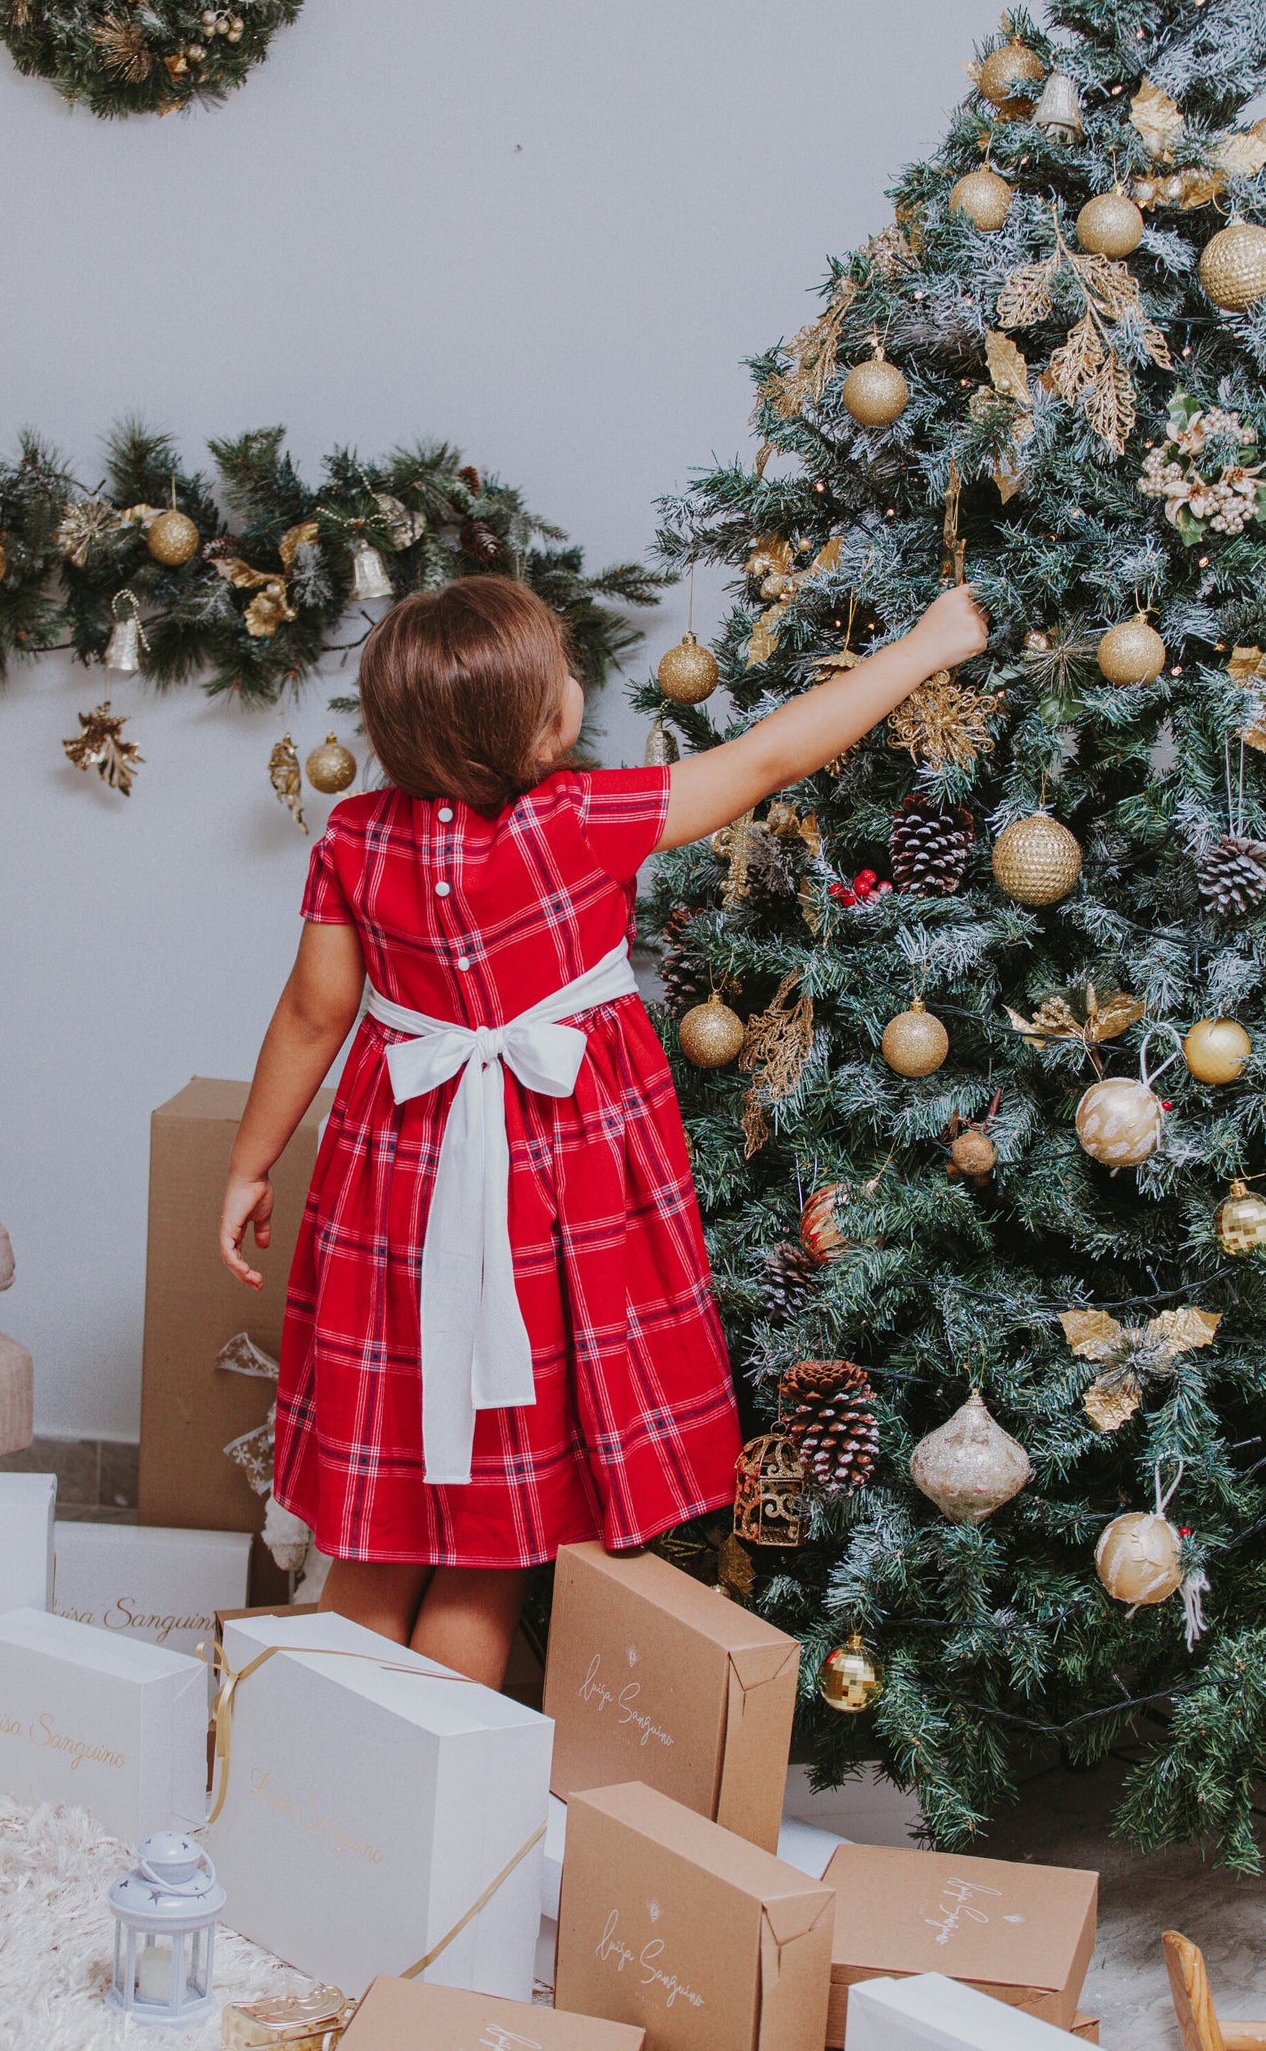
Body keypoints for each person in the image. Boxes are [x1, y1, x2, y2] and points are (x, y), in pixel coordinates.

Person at [220, 572, 988, 1690]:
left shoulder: (354, 838)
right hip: (549, 1196)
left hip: (398, 1197)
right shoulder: (584, 818)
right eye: (563, 680)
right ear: (539, 723)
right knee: (487, 1554)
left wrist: (250, 1162)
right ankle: (439, 1822)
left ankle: (315, 1796)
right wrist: (921, 643)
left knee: (378, 1544)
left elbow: (311, 1014)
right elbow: (771, 755)